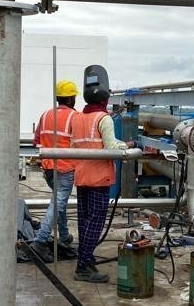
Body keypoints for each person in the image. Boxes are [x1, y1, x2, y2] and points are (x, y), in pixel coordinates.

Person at [70, 86, 128, 282]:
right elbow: (111, 147)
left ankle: (86, 260)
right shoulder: (104, 118)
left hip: (81, 176)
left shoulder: (77, 117)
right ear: (104, 101)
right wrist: (128, 146)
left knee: (84, 221)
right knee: (95, 223)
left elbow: (73, 145)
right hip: (98, 178)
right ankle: (82, 266)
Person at [29, 80, 80, 260]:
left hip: (48, 168)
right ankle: (40, 240)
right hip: (65, 168)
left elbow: (36, 141)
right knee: (58, 203)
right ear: (71, 99)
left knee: (59, 204)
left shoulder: (45, 114)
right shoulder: (75, 116)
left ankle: (64, 237)